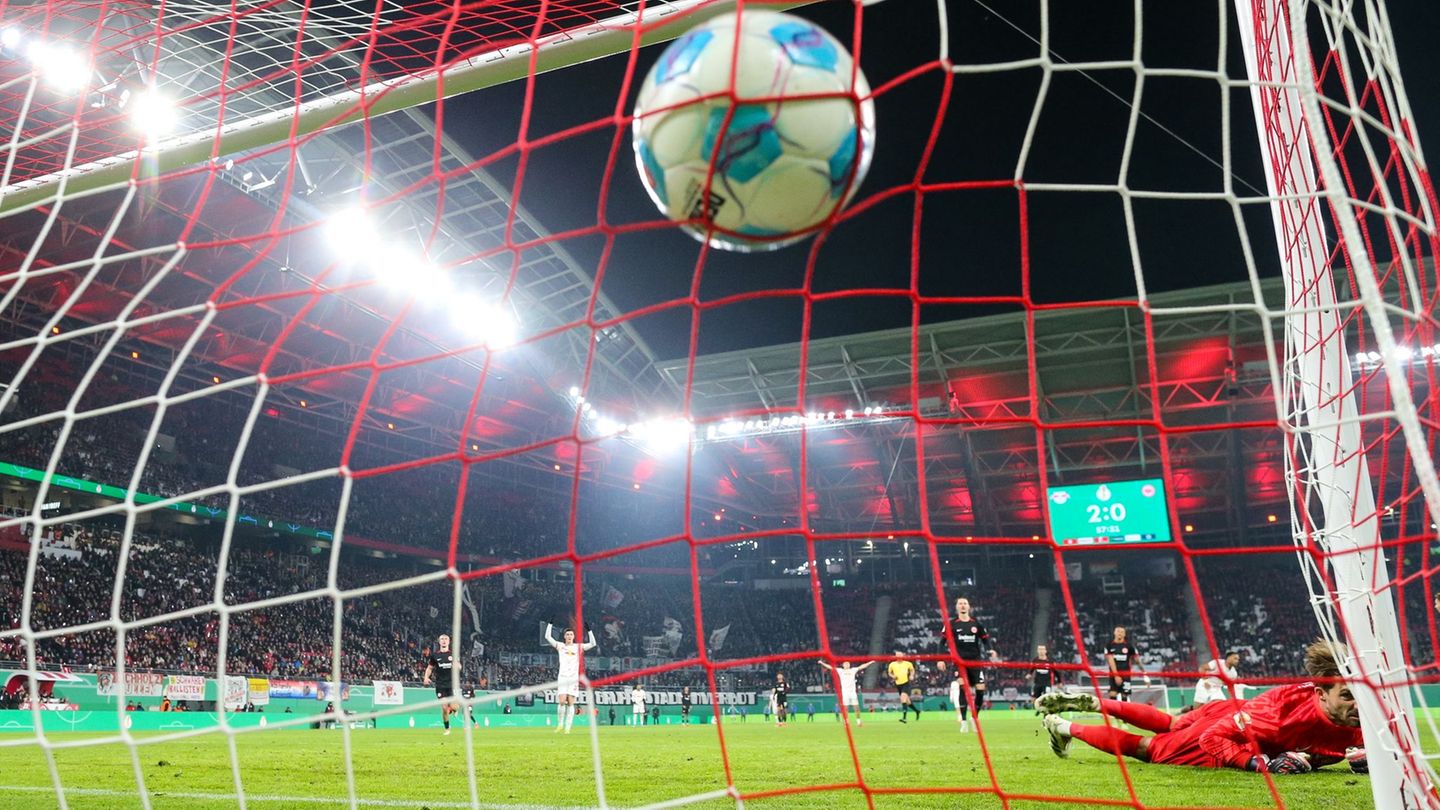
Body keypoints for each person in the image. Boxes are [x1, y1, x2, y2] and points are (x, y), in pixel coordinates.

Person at [1037, 639, 1366, 775]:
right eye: (1348, 696)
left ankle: (1096, 702)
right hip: (1232, 730)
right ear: (1322, 694)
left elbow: (1333, 746)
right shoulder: (1278, 717)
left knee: (1168, 723)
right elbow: (1212, 738)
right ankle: (1064, 727)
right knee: (1149, 748)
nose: (1358, 705)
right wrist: (1256, 763)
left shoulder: (1362, 716)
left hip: (1229, 709)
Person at [951, 597, 998, 732]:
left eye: (965, 603)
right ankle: (964, 721)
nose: (963, 606)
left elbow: (985, 640)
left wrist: (990, 650)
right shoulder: (952, 624)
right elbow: (942, 642)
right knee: (962, 689)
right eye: (960, 603)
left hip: (976, 662)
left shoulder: (976, 624)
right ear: (957, 607)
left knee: (980, 690)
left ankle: (974, 718)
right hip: (960, 662)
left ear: (969, 607)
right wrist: (941, 659)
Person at [544, 623, 596, 734]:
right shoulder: (560, 646)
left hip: (573, 679)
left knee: (571, 703)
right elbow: (547, 637)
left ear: (573, 636)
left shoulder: (578, 647)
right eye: (567, 634)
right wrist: (550, 624)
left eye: (571, 634)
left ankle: (568, 727)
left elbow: (593, 644)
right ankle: (560, 724)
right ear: (564, 636)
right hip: (562, 677)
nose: (569, 636)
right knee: (562, 701)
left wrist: (589, 631)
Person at [422, 633, 460, 735]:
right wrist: (426, 677)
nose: (444, 640)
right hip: (440, 685)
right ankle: (447, 729)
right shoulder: (435, 655)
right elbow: (429, 668)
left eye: (446, 639)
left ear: (449, 641)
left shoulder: (452, 654)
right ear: (439, 642)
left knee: (455, 706)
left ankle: (454, 709)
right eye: (442, 639)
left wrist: (458, 667)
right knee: (444, 708)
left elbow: (459, 666)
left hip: (451, 685)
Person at [819, 659, 874, 726]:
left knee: (856, 707)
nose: (847, 664)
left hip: (853, 692)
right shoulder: (840, 671)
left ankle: (858, 721)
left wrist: (869, 662)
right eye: (846, 664)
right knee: (845, 708)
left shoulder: (853, 670)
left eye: (848, 663)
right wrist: (822, 663)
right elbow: (830, 667)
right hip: (845, 693)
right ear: (843, 665)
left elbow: (862, 666)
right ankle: (846, 722)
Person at [1104, 626, 1148, 701]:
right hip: (1113, 674)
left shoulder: (1129, 646)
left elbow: (1137, 661)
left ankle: (1124, 712)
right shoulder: (1109, 645)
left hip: (1126, 674)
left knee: (1124, 695)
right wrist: (1116, 676)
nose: (1119, 633)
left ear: (1124, 634)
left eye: (1122, 632)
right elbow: (1110, 661)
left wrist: (1144, 673)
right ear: (1114, 633)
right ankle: (1112, 713)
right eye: (1118, 631)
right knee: (1113, 694)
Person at [887, 651, 920, 723]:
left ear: (902, 656)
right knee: (908, 702)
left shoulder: (907, 663)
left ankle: (904, 718)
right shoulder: (892, 664)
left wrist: (911, 675)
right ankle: (917, 711)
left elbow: (912, 670)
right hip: (898, 684)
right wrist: (893, 676)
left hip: (906, 683)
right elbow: (889, 672)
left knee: (903, 699)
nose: (899, 657)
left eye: (900, 655)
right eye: (897, 655)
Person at [1032, 644, 1055, 715]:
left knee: (1047, 697)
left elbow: (1055, 671)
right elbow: (1032, 669)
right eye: (1039, 649)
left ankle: (1046, 710)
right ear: (1037, 651)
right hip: (1038, 682)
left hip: (1047, 682)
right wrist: (1029, 674)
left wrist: (1059, 681)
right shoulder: (1035, 660)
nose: (1041, 651)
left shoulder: (1050, 660)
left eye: (1042, 649)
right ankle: (1037, 709)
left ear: (1045, 651)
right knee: (1035, 698)